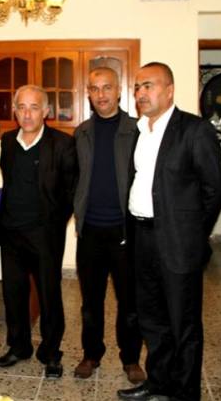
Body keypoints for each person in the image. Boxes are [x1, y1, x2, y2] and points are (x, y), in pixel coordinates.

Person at [118, 62, 221, 401]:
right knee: (151, 320)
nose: (140, 93)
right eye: (137, 87)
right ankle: (158, 383)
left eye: (148, 85)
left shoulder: (194, 130)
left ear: (169, 90)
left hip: (179, 242)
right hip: (141, 238)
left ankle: (184, 393)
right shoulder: (140, 131)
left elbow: (214, 190)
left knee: (183, 324)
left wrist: (192, 235)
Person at [0, 85, 76, 378]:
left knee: (49, 295)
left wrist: (52, 225)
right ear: (14, 111)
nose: (27, 114)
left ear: (46, 111)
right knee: (13, 294)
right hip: (11, 233)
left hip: (44, 235)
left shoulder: (63, 144)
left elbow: (70, 193)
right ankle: (19, 347)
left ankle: (51, 352)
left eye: (34, 107)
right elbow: (9, 181)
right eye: (21, 107)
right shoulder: (7, 141)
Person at [72, 67, 145, 383]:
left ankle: (131, 359)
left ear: (118, 91)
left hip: (125, 232)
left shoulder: (137, 130)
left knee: (130, 303)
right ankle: (91, 355)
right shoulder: (82, 132)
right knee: (90, 302)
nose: (101, 94)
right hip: (89, 231)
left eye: (107, 87)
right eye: (94, 88)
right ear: (88, 93)